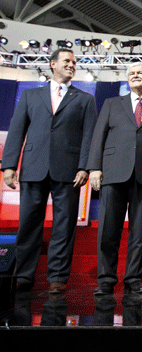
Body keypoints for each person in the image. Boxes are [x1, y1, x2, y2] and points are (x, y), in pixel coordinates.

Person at [1, 48, 97, 294]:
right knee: (28, 224)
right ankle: (23, 275)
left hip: (69, 171)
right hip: (33, 167)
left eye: (74, 62)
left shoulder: (85, 99)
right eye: (67, 61)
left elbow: (90, 136)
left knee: (64, 227)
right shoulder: (31, 96)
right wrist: (9, 165)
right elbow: (16, 131)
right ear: (53, 64)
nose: (72, 65)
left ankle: (57, 277)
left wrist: (84, 166)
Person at [87, 63, 142, 296]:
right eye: (131, 73)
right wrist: (94, 167)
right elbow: (98, 136)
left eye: (140, 73)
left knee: (138, 232)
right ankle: (106, 279)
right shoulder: (112, 104)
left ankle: (133, 278)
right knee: (108, 229)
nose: (135, 76)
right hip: (113, 172)